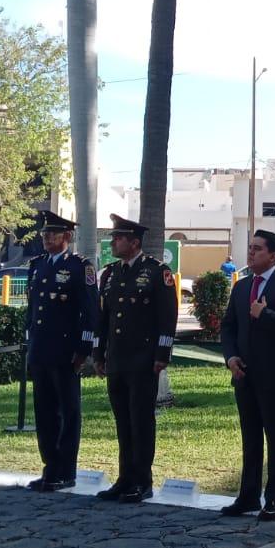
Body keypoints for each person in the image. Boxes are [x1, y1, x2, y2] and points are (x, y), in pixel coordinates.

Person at [219, 230, 275, 521]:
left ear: (273, 255)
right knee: (250, 437)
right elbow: (228, 326)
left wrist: (265, 314)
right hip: (244, 373)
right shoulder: (242, 286)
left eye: (258, 249)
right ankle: (248, 496)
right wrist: (231, 357)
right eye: (250, 247)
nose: (251, 252)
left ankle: (274, 499)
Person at [93, 215, 178, 503]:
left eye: (118, 238)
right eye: (114, 238)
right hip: (117, 358)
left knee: (141, 421)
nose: (113, 243)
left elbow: (167, 317)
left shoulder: (156, 271)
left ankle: (142, 481)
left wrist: (162, 354)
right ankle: (125, 478)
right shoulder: (110, 273)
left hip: (143, 359)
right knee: (123, 421)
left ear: (134, 242)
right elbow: (103, 317)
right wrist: (98, 352)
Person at [24, 211, 99, 493]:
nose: (47, 238)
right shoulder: (38, 265)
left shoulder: (80, 267)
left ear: (67, 236)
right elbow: (33, 308)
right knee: (44, 413)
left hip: (66, 351)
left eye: (53, 234)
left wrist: (84, 348)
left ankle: (66, 471)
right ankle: (50, 468)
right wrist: (29, 339)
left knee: (68, 412)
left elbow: (90, 311)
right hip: (40, 349)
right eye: (45, 234)